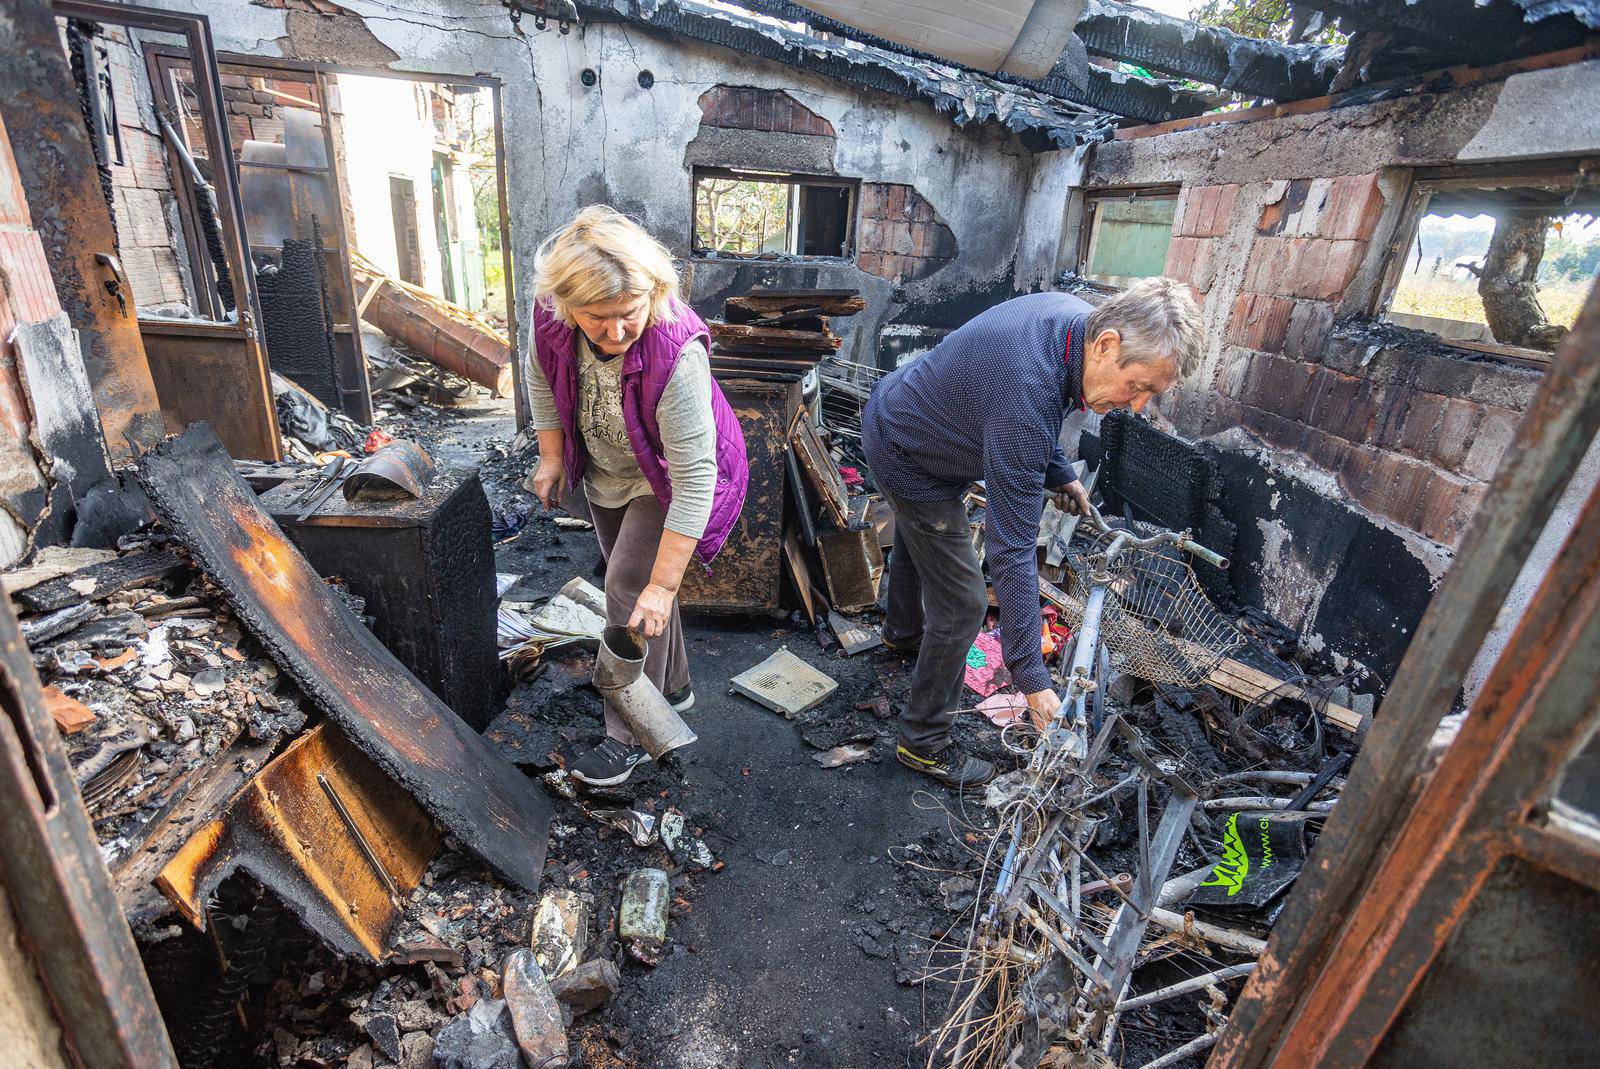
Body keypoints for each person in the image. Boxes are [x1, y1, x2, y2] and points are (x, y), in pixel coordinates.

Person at [862, 278, 1203, 789]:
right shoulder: (1027, 381)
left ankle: (903, 635)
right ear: (1107, 344)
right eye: (1138, 386)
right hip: (908, 452)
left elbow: (1033, 416)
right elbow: (1013, 546)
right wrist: (1032, 679)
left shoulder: (1070, 324)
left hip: (909, 415)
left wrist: (1060, 470)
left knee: (922, 539)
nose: (1136, 406)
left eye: (1151, 394)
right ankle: (923, 743)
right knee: (964, 603)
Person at [527, 205, 749, 786]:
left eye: (629, 314)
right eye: (597, 318)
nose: (617, 331)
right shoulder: (550, 320)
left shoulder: (678, 353)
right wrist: (552, 456)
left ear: (652, 294)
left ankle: (624, 738)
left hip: (671, 478)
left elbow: (695, 479)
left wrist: (664, 582)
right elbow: (541, 379)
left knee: (630, 587)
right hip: (606, 467)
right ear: (566, 305)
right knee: (642, 596)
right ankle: (671, 689)